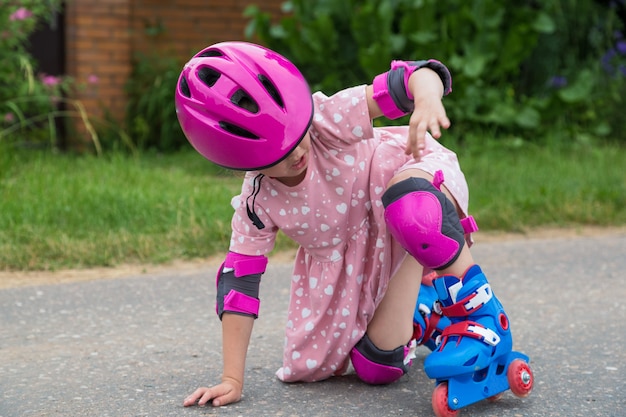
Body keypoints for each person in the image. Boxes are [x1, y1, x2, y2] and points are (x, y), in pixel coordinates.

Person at [175, 41, 528, 410]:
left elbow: (417, 75)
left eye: (297, 135)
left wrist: (426, 100)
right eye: (279, 155)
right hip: (376, 251)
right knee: (377, 365)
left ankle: (485, 321)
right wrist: (232, 378)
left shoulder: (324, 119)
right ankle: (425, 314)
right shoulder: (258, 202)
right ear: (241, 159)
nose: (296, 153)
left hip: (412, 183)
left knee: (411, 211)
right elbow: (239, 284)